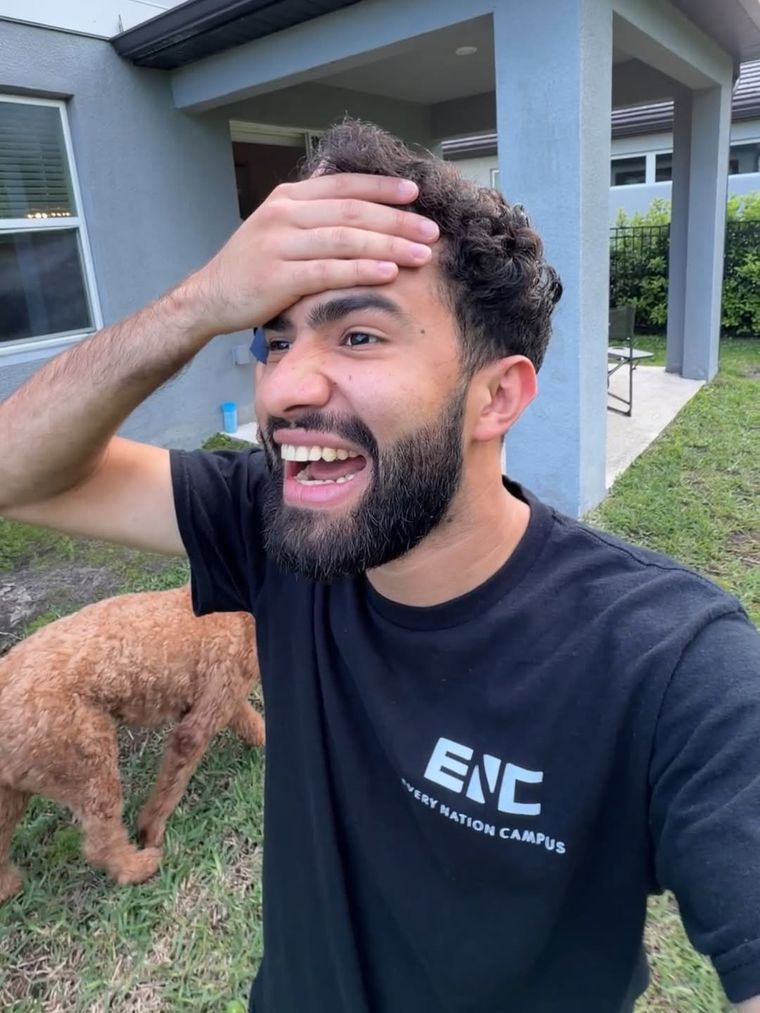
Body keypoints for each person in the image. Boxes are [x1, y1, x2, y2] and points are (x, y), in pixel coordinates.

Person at [1, 120, 758, 1013]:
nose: (282, 389)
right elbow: (20, 470)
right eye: (273, 340)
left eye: (358, 337)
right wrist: (199, 302)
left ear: (497, 396)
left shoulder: (672, 665)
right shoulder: (272, 522)